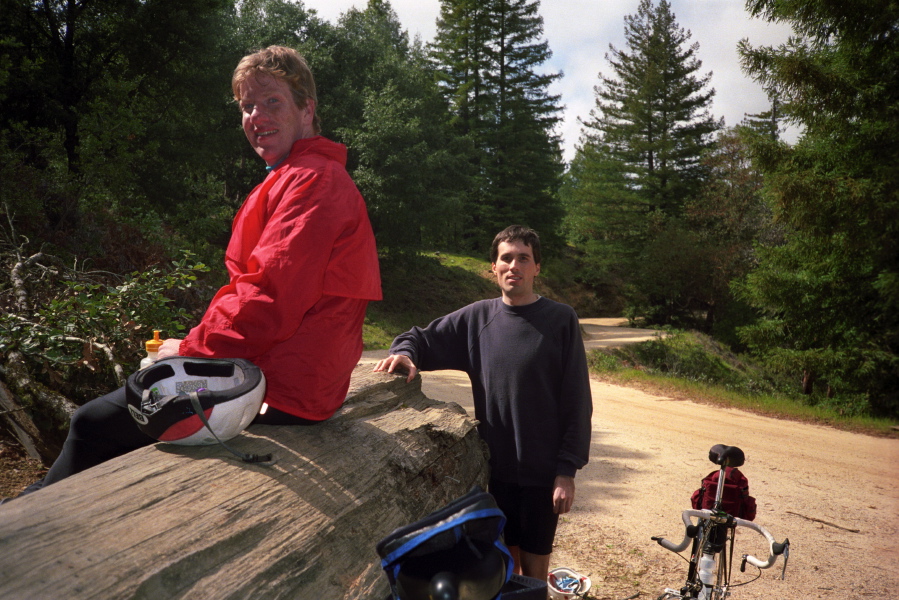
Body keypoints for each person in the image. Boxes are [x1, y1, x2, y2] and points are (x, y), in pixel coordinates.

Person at [20, 45, 382, 495]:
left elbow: (268, 300)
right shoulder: (296, 175)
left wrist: (190, 346)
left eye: (271, 101)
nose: (256, 115)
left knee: (92, 423)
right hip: (288, 380)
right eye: (247, 106)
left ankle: (18, 529)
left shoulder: (312, 180)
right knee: (113, 425)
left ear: (307, 109)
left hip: (280, 391)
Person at [373, 225, 592, 579]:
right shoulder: (478, 319)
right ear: (493, 266)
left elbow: (577, 401)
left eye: (524, 258)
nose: (514, 266)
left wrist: (566, 472)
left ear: (537, 267)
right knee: (503, 567)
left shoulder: (560, 319)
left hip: (543, 473)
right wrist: (405, 354)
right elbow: (418, 338)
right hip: (496, 471)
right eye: (506, 258)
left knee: (535, 571)